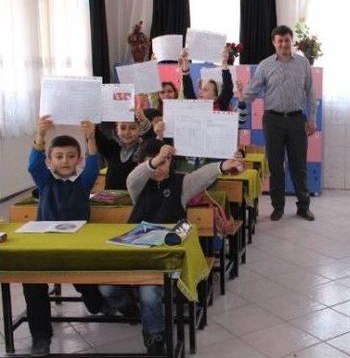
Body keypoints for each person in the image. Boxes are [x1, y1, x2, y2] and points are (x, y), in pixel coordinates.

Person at [99, 140, 242, 354]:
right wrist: (155, 161)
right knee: (107, 288)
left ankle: (155, 338)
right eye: (152, 164)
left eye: (164, 163)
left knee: (149, 293)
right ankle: (131, 310)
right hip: (135, 250)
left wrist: (222, 166)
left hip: (165, 254)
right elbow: (133, 177)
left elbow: (201, 176)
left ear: (171, 163)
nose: (158, 168)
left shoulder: (180, 185)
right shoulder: (138, 186)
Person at [25, 116, 104, 356]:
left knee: (84, 281)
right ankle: (41, 336)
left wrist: (90, 137)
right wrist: (40, 136)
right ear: (50, 161)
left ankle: (97, 302)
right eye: (58, 157)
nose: (65, 161)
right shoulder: (45, 181)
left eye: (71, 156)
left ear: (77, 159)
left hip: (78, 247)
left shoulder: (82, 183)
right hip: (46, 246)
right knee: (32, 282)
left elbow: (93, 164)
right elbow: (33, 165)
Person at [242, 25, 317, 222]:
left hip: (296, 119)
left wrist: (311, 119)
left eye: (287, 40)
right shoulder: (265, 65)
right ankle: (278, 207)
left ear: (292, 41)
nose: (284, 43)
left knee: (299, 166)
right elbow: (253, 90)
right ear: (274, 43)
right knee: (275, 166)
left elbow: (310, 93)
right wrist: (241, 99)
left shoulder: (303, 64)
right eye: (280, 40)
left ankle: (303, 206)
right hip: (273, 120)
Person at [95, 110, 150, 190]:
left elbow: (151, 139)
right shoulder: (113, 147)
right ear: (117, 129)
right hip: (111, 199)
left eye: (132, 128)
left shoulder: (144, 148)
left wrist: (144, 121)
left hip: (133, 200)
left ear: (140, 129)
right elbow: (96, 136)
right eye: (123, 128)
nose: (127, 132)